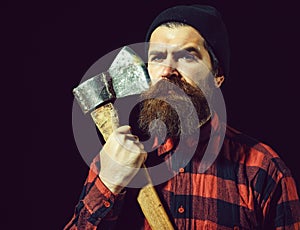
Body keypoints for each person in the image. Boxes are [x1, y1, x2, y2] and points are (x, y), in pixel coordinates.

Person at [65, 5, 300, 229]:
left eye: (187, 56)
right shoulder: (113, 157)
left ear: (217, 74)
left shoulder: (262, 170)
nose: (167, 70)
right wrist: (108, 184)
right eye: (157, 57)